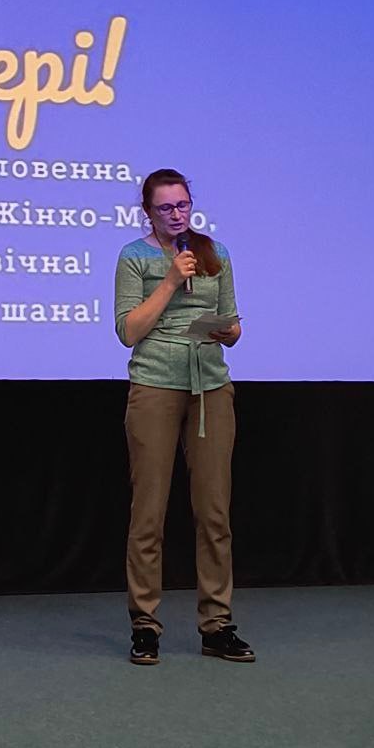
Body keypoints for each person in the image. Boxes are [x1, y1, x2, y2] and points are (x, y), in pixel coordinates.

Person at [114, 168, 255, 666]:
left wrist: (229, 331)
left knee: (214, 512)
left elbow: (233, 322)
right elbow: (128, 331)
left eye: (183, 205)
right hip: (154, 384)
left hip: (210, 386)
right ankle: (145, 625)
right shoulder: (134, 257)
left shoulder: (216, 254)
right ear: (147, 212)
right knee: (148, 514)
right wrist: (172, 280)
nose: (177, 215)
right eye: (166, 208)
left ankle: (217, 624)